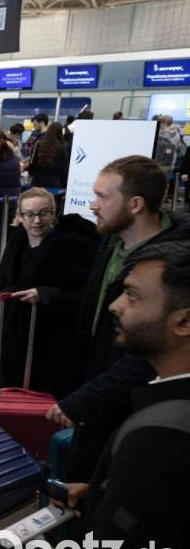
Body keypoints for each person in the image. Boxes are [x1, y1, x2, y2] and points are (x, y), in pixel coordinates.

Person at [0, 241, 190, 549]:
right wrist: (110, 497)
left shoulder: (158, 443)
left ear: (184, 322)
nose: (115, 306)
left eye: (133, 296)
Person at [47, 156, 187, 481]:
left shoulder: (171, 267)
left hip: (132, 410)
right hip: (96, 397)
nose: (92, 204)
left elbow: (149, 353)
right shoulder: (112, 239)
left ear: (135, 204)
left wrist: (86, 400)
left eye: (102, 196)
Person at [0, 188, 99, 397]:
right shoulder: (18, 241)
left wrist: (46, 294)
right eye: (29, 214)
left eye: (44, 213)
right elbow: (3, 282)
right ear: (20, 216)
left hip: (52, 341)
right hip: (15, 335)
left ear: (54, 213)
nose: (37, 220)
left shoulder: (72, 247)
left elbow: (85, 296)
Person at [26, 122, 69, 188]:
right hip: (54, 182)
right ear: (60, 133)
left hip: (37, 181)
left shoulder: (38, 144)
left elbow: (32, 163)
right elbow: (64, 169)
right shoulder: (62, 148)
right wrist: (64, 186)